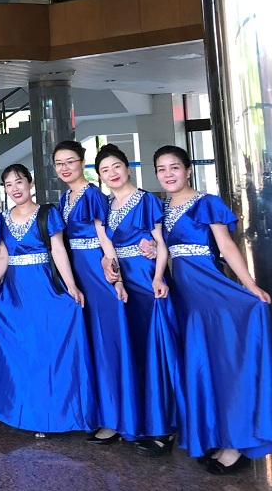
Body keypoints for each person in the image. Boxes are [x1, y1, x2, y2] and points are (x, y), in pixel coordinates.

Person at [154, 145, 272, 475]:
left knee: (224, 366)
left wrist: (250, 287)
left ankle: (236, 444)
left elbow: (227, 247)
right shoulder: (163, 208)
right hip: (185, 297)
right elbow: (164, 248)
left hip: (211, 294)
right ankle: (218, 437)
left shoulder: (207, 202)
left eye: (174, 167)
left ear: (188, 170)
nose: (168, 174)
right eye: (161, 169)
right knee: (202, 367)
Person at [0, 164, 95, 436]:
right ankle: (24, 412)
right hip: (15, 292)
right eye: (8, 184)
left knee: (45, 351)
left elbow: (58, 251)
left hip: (43, 288)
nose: (14, 188)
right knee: (24, 352)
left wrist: (71, 286)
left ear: (30, 184)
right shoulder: (1, 219)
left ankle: (51, 416)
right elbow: (3, 257)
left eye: (19, 182)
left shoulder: (47, 213)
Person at [96, 143, 181, 457]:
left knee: (156, 351)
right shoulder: (105, 205)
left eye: (116, 166)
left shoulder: (146, 200)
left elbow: (161, 244)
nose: (112, 173)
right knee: (135, 352)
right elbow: (108, 249)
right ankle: (141, 421)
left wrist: (158, 277)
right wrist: (115, 276)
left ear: (127, 167)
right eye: (105, 170)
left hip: (148, 280)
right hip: (124, 284)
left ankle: (164, 429)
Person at [52, 140, 138, 445]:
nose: (65, 168)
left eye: (70, 161)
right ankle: (94, 411)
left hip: (96, 272)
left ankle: (115, 419)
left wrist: (115, 276)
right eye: (59, 163)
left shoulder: (92, 195)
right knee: (86, 343)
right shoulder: (65, 198)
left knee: (105, 345)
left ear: (82, 162)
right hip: (76, 271)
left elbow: (105, 237)